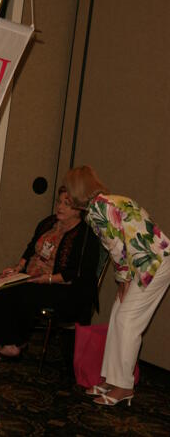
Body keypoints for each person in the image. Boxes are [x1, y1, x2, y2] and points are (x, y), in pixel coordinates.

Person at [63, 165, 170, 406]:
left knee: (127, 321)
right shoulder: (107, 202)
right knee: (117, 317)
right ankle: (111, 379)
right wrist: (125, 279)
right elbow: (123, 243)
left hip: (155, 263)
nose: (67, 197)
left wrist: (122, 281)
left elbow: (117, 248)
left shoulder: (97, 210)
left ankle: (124, 386)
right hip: (145, 261)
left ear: (78, 191)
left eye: (69, 192)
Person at [0, 186, 101, 361]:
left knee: (22, 293)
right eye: (59, 202)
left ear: (79, 209)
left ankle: (15, 343)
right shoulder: (48, 223)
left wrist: (47, 279)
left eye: (67, 204)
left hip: (63, 287)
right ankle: (9, 343)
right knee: (1, 288)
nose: (60, 207)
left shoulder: (86, 236)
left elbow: (76, 273)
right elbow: (30, 249)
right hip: (33, 277)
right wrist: (17, 269)